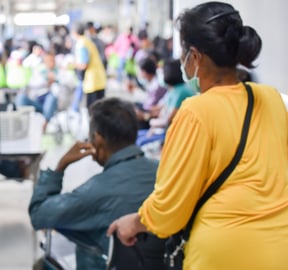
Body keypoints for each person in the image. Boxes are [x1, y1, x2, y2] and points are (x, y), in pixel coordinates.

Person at [108, 2, 288, 270]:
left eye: (183, 51)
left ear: (195, 56)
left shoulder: (196, 111)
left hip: (224, 256)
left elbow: (170, 208)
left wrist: (134, 223)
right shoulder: (271, 98)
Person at [29, 98, 164, 269]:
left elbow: (38, 214)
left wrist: (60, 167)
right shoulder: (164, 173)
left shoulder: (97, 190)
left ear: (97, 139)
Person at [16, 53, 59, 133]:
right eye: (48, 61)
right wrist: (45, 82)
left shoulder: (59, 73)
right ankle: (21, 124)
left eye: (52, 61)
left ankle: (44, 125)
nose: (50, 63)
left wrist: (54, 81)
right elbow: (32, 85)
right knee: (21, 97)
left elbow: (60, 91)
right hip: (36, 101)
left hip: (51, 104)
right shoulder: (39, 72)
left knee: (51, 97)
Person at [70, 23, 106, 112]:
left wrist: (71, 66)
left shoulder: (81, 44)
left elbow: (83, 64)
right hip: (99, 78)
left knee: (92, 110)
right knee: (99, 109)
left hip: (92, 81)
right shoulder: (87, 41)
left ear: (74, 33)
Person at [135, 57, 167, 129]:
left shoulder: (157, 86)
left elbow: (151, 107)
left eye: (140, 72)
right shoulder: (152, 83)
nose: (139, 74)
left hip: (154, 115)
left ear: (145, 72)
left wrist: (144, 115)